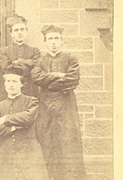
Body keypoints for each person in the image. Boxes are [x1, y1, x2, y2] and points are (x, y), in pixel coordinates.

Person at [31, 25, 85, 180]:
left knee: (67, 139)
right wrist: (59, 76)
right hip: (46, 105)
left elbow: (72, 79)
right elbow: (37, 78)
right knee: (46, 138)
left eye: (56, 38)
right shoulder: (40, 61)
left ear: (62, 41)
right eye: (50, 39)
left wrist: (49, 79)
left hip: (65, 104)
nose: (53, 42)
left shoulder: (70, 59)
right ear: (45, 42)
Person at [0, 68, 49, 180]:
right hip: (7, 152)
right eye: (8, 81)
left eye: (14, 81)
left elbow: (28, 118)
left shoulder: (31, 101)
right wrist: (12, 128)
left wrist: (6, 119)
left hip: (29, 151)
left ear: (21, 84)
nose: (11, 85)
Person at [0, 15, 40, 100]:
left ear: (26, 32)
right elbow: (7, 68)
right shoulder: (3, 51)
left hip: (29, 91)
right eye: (16, 30)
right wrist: (28, 63)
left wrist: (19, 61)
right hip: (9, 92)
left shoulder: (35, 51)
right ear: (11, 34)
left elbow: (36, 67)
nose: (19, 33)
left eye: (22, 29)